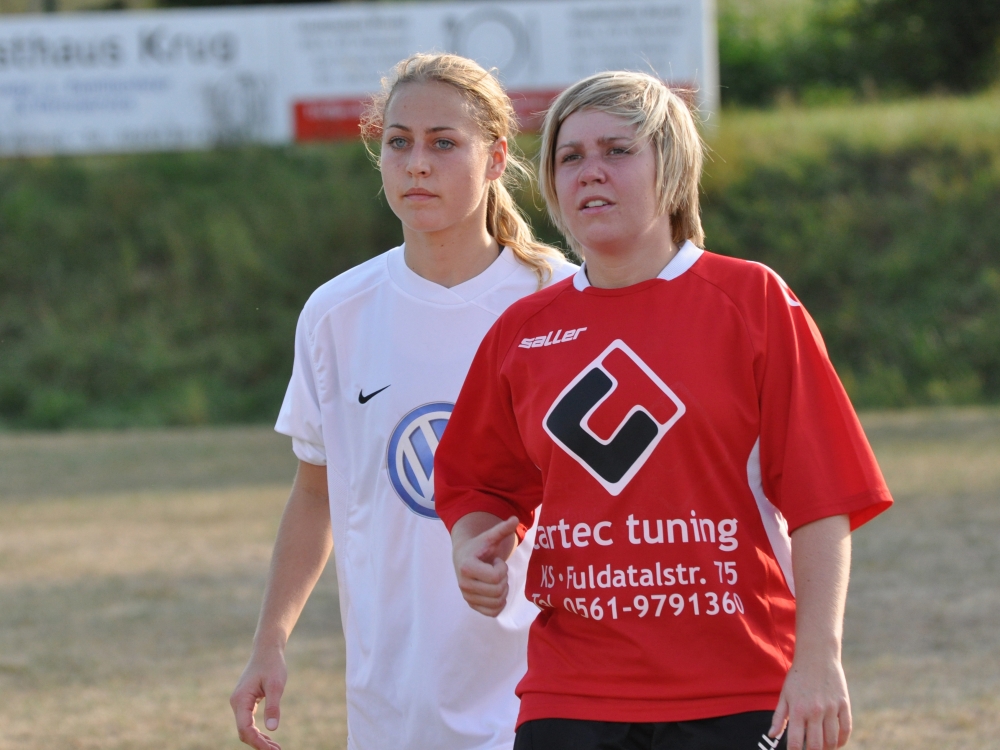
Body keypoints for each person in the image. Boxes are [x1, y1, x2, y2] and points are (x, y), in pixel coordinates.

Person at [436, 70, 893, 750]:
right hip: (571, 692)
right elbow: (478, 485)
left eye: (618, 150)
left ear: (672, 168)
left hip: (737, 687)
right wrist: (470, 548)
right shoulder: (523, 331)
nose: (591, 171)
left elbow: (822, 499)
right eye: (570, 156)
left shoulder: (752, 301)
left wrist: (819, 659)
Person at [229, 53, 575, 750]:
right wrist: (270, 641)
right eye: (399, 142)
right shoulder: (337, 313)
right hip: (391, 703)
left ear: (495, 157)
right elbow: (317, 494)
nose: (417, 164)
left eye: (444, 143)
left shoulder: (561, 302)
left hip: (539, 693)